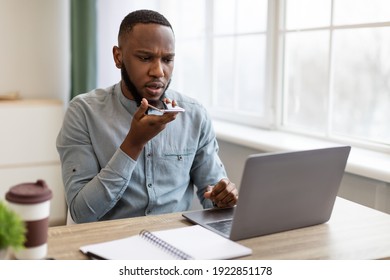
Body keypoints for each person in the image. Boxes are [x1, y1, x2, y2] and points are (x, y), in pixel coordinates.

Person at [56, 9, 238, 224]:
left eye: (168, 59)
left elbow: (212, 198)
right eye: (145, 58)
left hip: (175, 243)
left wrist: (222, 199)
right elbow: (81, 212)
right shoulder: (83, 113)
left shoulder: (194, 115)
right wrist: (133, 143)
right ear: (118, 56)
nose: (158, 71)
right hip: (107, 245)